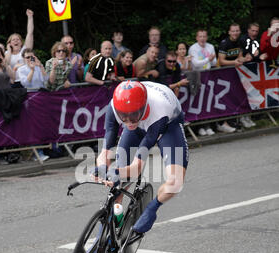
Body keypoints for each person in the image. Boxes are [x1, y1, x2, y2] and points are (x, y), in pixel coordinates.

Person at [91, 80, 188, 241]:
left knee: (175, 182)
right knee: (119, 182)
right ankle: (107, 229)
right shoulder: (115, 107)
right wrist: (102, 168)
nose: (129, 121)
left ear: (144, 107)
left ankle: (152, 207)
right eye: (124, 117)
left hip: (168, 127)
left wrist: (115, 171)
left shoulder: (159, 111)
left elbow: (136, 167)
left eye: (133, 116)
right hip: (140, 124)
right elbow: (105, 152)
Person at [16, 49, 49, 161]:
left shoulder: (38, 67)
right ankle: (37, 153)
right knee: (34, 126)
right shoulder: (21, 69)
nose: (30, 59)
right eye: (27, 57)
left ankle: (43, 150)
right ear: (23, 59)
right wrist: (31, 70)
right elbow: (25, 83)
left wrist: (40, 67)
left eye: (32, 57)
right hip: (30, 99)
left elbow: (46, 80)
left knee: (42, 125)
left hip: (41, 98)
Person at [218, 23, 250, 130]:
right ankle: (222, 123)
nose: (235, 33)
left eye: (237, 31)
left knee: (236, 96)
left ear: (239, 31)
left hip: (235, 73)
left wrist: (244, 59)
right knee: (226, 98)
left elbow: (240, 57)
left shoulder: (240, 41)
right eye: (233, 31)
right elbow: (221, 61)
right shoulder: (224, 43)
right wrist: (234, 62)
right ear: (229, 32)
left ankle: (235, 120)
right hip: (223, 74)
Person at [188, 29, 219, 136]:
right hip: (197, 77)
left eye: (204, 36)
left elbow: (214, 62)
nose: (202, 39)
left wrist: (211, 59)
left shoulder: (210, 46)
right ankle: (199, 126)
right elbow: (195, 64)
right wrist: (208, 59)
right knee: (197, 102)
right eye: (200, 36)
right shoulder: (193, 48)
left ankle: (208, 125)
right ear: (197, 38)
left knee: (207, 102)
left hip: (208, 75)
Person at [5, 9, 34, 88]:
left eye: (18, 39)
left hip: (26, 81)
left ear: (21, 43)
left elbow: (30, 33)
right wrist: (9, 50)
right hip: (12, 83)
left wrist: (30, 17)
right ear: (10, 43)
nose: (16, 41)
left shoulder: (24, 50)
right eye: (13, 40)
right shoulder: (6, 53)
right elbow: (5, 64)